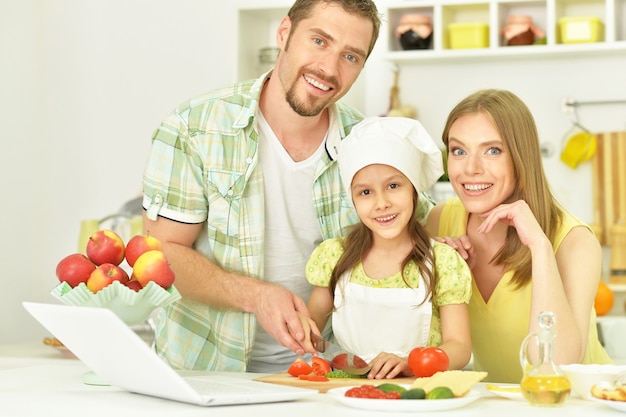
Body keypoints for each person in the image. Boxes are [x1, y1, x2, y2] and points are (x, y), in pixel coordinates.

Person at [140, 0, 435, 373]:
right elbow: (158, 256)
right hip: (204, 370)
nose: (329, 68)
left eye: (351, 56)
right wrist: (256, 296)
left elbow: (418, 227)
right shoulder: (193, 128)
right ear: (284, 34)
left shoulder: (367, 141)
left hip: (329, 376)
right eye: (319, 41)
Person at [425, 89, 612, 383]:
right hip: (500, 405)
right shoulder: (439, 222)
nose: (471, 169)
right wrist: (424, 268)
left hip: (579, 405)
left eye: (492, 150)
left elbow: (554, 368)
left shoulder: (575, 242)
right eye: (459, 151)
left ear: (521, 157)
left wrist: (540, 248)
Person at [299, 117, 473, 379]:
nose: (381, 203)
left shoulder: (443, 262)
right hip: (343, 393)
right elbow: (312, 331)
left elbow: (460, 348)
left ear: (414, 190)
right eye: (365, 192)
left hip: (416, 396)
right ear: (353, 200)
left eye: (393, 186)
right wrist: (300, 331)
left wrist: (411, 363)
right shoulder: (335, 256)